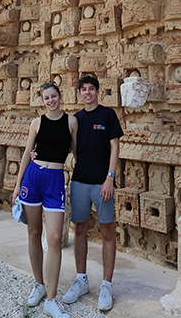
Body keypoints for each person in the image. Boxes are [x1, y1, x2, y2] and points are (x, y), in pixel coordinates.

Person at [14, 81, 78, 318]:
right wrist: (18, 183)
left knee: (53, 238)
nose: (50, 101)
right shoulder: (36, 122)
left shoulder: (71, 122)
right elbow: (26, 154)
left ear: (60, 97)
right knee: (33, 232)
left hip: (54, 180)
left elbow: (76, 151)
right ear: (43, 101)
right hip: (33, 177)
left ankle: (52, 299)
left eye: (54, 96)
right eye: (46, 98)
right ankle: (39, 284)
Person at [63, 74, 124, 311]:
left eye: (91, 89)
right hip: (79, 182)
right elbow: (65, 145)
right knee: (79, 229)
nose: (87, 93)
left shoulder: (107, 115)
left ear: (98, 92)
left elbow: (115, 146)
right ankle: (81, 280)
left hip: (102, 183)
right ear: (79, 93)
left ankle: (107, 284)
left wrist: (110, 178)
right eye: (84, 90)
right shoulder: (75, 119)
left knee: (107, 230)